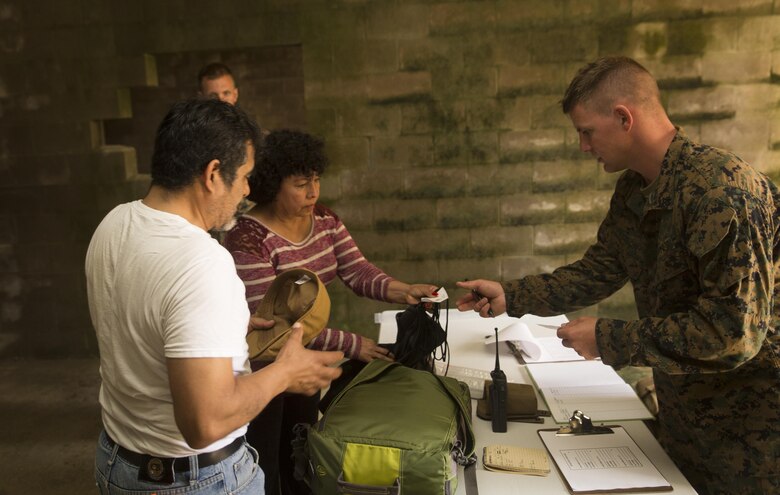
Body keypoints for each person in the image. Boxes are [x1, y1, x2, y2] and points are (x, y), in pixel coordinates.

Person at [457, 56, 779, 495]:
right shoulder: (634, 188)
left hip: (754, 431)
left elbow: (732, 334)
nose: (584, 147)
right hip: (687, 415)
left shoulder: (722, 193)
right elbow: (599, 270)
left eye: (587, 132)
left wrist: (608, 339)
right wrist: (511, 295)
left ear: (624, 117)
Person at [87, 99, 343, 494]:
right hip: (192, 478)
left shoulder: (114, 224)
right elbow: (205, 422)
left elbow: (142, 320)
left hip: (117, 463)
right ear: (212, 174)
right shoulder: (202, 261)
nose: (246, 190)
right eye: (243, 176)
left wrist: (221, 328)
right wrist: (284, 373)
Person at [223, 129, 439, 495]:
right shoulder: (248, 239)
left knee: (300, 455)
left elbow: (356, 270)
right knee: (266, 462)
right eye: (301, 184)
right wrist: (350, 344)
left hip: (304, 364)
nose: (313, 193)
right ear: (272, 184)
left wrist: (405, 291)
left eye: (317, 180)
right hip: (265, 369)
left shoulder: (324, 220)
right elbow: (278, 325)